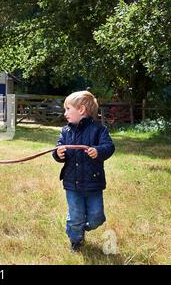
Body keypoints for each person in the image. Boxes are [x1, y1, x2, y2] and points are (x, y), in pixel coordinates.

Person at [52, 91, 115, 252]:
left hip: (93, 183)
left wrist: (98, 151)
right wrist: (58, 153)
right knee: (75, 216)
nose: (65, 113)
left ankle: (81, 228)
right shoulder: (66, 131)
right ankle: (75, 239)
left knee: (97, 217)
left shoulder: (99, 130)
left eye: (67, 109)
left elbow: (109, 147)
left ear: (81, 109)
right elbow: (58, 149)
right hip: (72, 183)